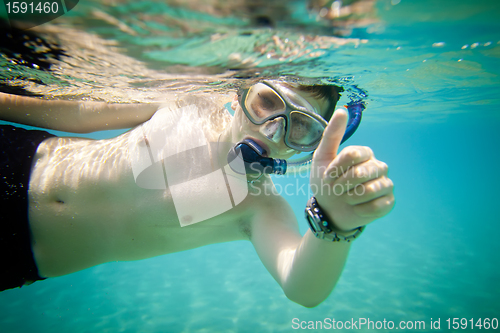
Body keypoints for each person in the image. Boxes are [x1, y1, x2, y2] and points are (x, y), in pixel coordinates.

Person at [0, 78, 394, 307]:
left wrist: (336, 222)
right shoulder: (185, 102)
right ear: (242, 93)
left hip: (14, 256)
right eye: (267, 103)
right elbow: (76, 115)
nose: (271, 129)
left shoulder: (257, 207)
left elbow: (301, 287)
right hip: (13, 154)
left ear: (308, 147)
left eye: (300, 127)